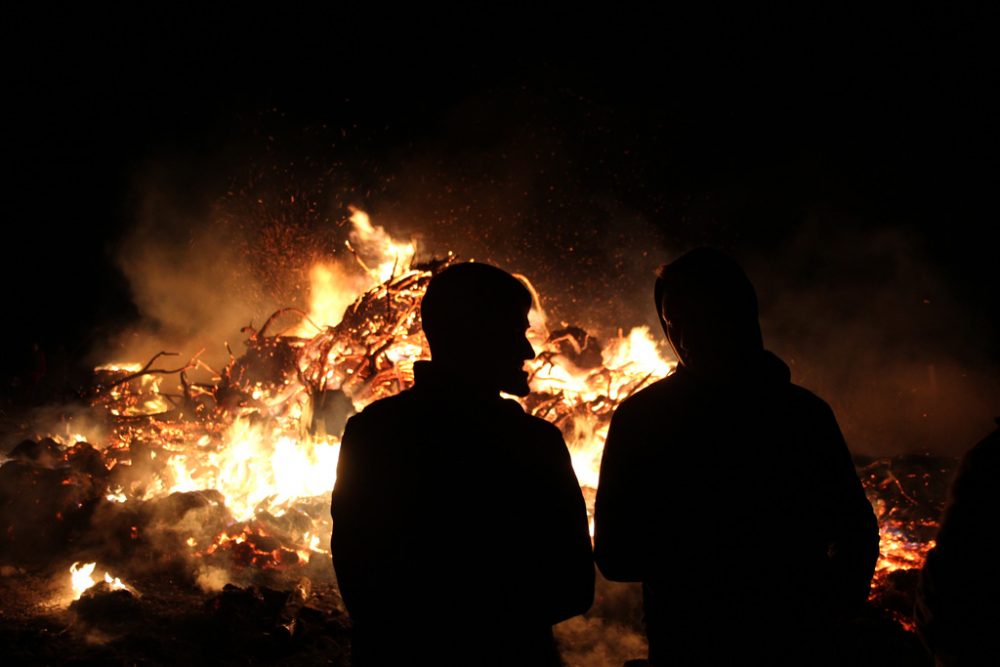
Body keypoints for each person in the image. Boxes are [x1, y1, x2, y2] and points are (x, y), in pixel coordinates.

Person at [594, 248, 880, 665]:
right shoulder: (641, 419)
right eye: (675, 323)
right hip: (692, 646)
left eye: (702, 320)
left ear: (739, 316)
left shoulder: (800, 416)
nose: (686, 338)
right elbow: (615, 555)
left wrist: (833, 611)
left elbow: (855, 530)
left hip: (795, 645)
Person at [331, 262, 594, 666]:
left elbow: (360, 580)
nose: (527, 350)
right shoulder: (532, 444)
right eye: (516, 332)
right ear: (477, 336)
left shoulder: (372, 434)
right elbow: (572, 586)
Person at [916, 419, 1000, 666]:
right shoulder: (988, 454)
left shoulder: (989, 456)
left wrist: (932, 630)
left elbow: (955, 549)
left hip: (973, 631)